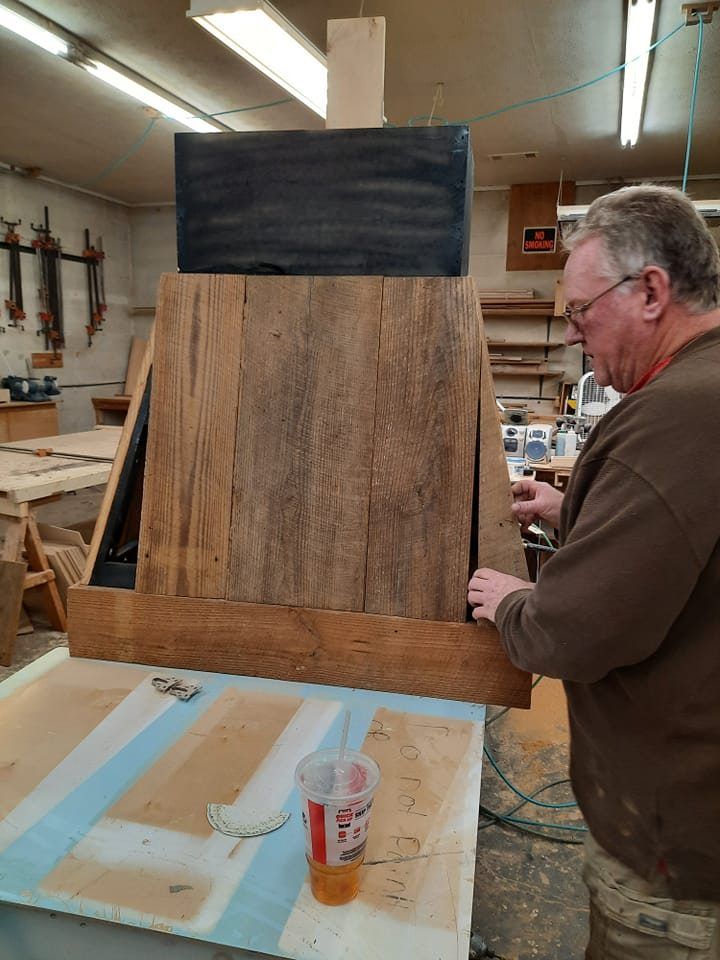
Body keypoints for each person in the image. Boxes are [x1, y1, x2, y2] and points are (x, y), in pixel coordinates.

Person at [468, 184, 720, 959]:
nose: (574, 334)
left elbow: (570, 634)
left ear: (651, 292)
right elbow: (681, 554)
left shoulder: (677, 412)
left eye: (581, 311)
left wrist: (514, 603)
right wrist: (568, 507)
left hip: (676, 859)